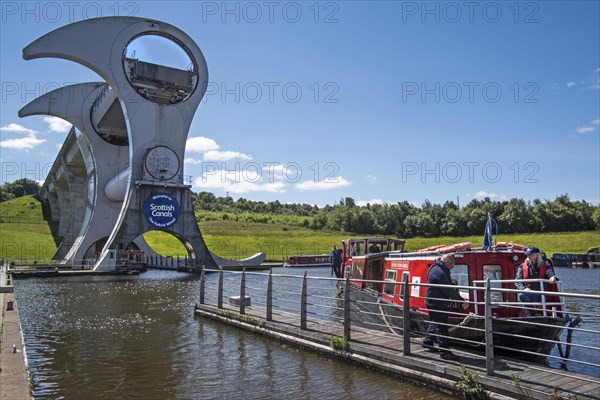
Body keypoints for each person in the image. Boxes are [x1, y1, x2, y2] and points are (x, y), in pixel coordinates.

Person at [422, 253, 469, 361]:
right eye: (452, 264)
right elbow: (447, 289)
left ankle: (427, 341)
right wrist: (462, 301)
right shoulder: (439, 272)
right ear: (447, 262)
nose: (453, 267)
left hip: (434, 301)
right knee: (441, 326)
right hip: (436, 302)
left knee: (435, 321)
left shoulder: (437, 268)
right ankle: (445, 352)